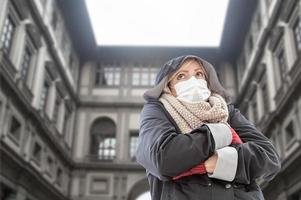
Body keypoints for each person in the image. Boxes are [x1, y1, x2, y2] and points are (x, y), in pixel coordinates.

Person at [135, 55, 281, 200]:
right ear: (168, 87)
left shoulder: (226, 111)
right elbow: (164, 159)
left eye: (199, 74)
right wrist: (222, 132)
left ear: (207, 80)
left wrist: (220, 162)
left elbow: (269, 158)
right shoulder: (157, 110)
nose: (193, 80)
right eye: (181, 76)